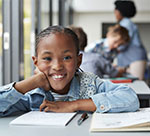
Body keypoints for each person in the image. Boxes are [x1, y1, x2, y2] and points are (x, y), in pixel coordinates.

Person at [0, 25, 139, 117]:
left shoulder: (90, 84)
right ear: (36, 62)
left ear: (79, 60)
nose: (57, 66)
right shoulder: (32, 94)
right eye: (47, 58)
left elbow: (130, 98)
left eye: (66, 57)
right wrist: (31, 82)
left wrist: (73, 105)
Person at [114, 0, 147, 80]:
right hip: (132, 59)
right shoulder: (126, 23)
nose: (115, 13)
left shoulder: (126, 24)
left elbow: (122, 42)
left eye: (116, 11)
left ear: (120, 12)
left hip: (135, 59)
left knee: (138, 85)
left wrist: (113, 47)